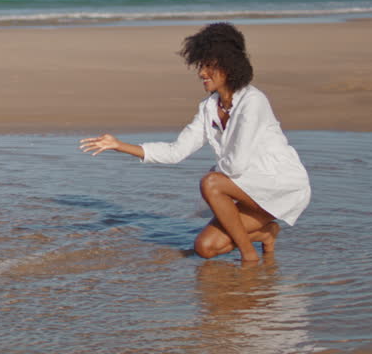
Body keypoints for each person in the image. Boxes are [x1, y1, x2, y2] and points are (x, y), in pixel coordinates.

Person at [79, 23, 310, 262]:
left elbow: (236, 165)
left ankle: (249, 256)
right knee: (205, 248)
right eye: (201, 66)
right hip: (247, 189)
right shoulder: (208, 107)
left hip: (277, 187)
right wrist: (119, 145)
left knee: (211, 183)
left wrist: (215, 179)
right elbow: (176, 151)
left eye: (209, 67)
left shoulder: (253, 102)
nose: (202, 74)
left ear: (229, 66)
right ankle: (267, 233)